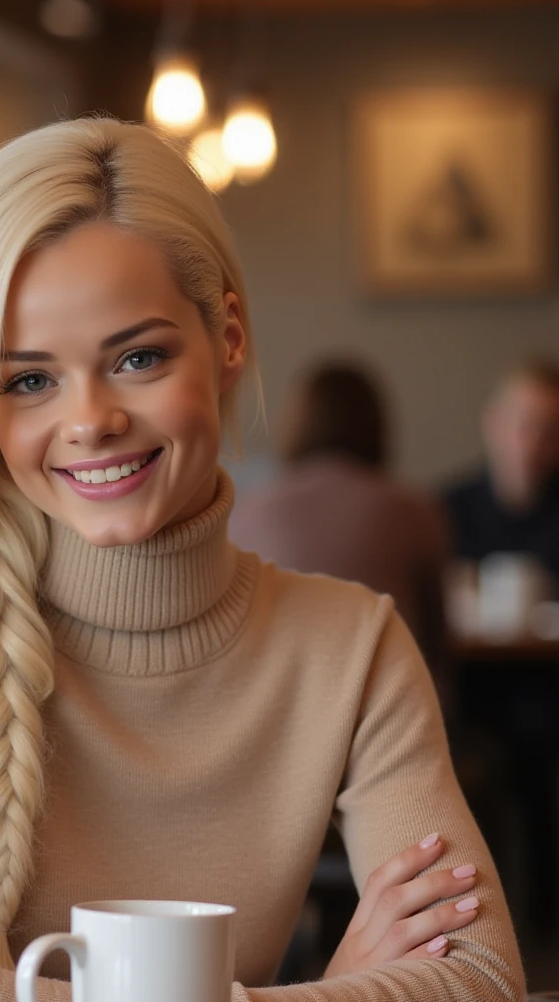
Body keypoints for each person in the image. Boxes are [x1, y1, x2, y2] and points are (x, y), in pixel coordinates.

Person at [0, 118, 522, 1002]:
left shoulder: (350, 645)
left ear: (224, 338)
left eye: (135, 358)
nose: (88, 419)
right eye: (29, 380)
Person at [229, 360, 450, 688]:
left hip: (279, 707)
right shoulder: (414, 510)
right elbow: (438, 642)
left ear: (297, 423)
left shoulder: (249, 511)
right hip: (392, 703)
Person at [442, 359, 559, 936]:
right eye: (522, 422)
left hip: (547, 686)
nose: (531, 440)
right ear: (494, 423)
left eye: (547, 427)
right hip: (470, 687)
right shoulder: (449, 507)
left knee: (537, 736)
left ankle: (539, 915)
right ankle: (485, 914)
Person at [443, 358, 559, 580]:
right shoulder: (446, 512)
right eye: (526, 424)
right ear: (494, 423)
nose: (536, 441)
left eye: (550, 429)